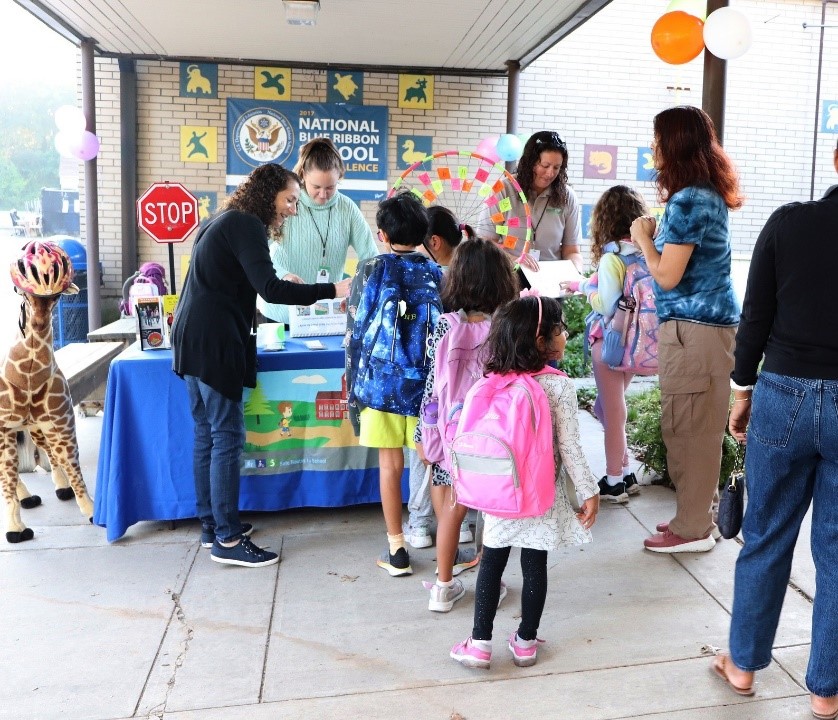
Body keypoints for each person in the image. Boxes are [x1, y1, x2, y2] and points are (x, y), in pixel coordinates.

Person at [711, 141, 838, 720]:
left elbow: (755, 314)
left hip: (784, 394)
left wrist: (742, 392)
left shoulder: (789, 224)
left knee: (765, 535)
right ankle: (826, 691)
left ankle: (742, 665)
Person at [171, 163, 351, 568]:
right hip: (213, 340)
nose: (293, 209)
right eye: (290, 199)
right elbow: (269, 289)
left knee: (206, 434)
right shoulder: (246, 224)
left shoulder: (224, 219)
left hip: (190, 336)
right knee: (226, 436)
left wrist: (290, 284)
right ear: (268, 195)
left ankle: (213, 525)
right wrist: (333, 290)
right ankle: (228, 540)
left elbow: (251, 280)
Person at [450, 294, 599, 669]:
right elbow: (570, 448)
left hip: (499, 494)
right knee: (535, 567)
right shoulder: (559, 387)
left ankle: (479, 644)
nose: (565, 335)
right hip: (539, 495)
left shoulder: (491, 381)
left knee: (491, 566)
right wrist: (589, 490)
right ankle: (526, 642)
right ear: (540, 340)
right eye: (560, 329)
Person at [630, 105, 743, 554]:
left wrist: (643, 237)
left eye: (658, 140)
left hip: (694, 333)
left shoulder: (689, 200)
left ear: (674, 145)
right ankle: (697, 517)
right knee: (696, 427)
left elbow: (667, 275)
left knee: (688, 429)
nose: (653, 148)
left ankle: (693, 529)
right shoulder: (702, 195)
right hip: (703, 332)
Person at [415, 237, 519, 612]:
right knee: (492, 512)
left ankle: (443, 588)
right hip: (494, 440)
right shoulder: (504, 329)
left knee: (452, 509)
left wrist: (423, 436)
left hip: (450, 438)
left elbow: (431, 387)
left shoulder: (444, 326)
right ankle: (490, 585)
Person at [345, 192, 442, 577]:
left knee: (390, 466)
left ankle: (397, 549)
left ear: (382, 235)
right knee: (433, 464)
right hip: (426, 391)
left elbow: (355, 329)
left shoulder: (371, 269)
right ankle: (446, 546)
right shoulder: (437, 272)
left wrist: (354, 383)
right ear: (424, 235)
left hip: (381, 386)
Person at [562, 186, 649, 503]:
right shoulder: (644, 254)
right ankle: (626, 473)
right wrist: (581, 283)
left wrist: (587, 293)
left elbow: (607, 303)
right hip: (636, 343)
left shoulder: (613, 258)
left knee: (612, 412)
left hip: (610, 343)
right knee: (605, 406)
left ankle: (614, 481)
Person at [403, 206, 476, 551]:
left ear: (434, 242)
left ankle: (419, 523)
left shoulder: (427, 276)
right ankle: (461, 524)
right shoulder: (474, 271)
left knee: (426, 449)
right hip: (468, 391)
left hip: (429, 383)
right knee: (459, 454)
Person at [258, 137, 378, 324]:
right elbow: (259, 254)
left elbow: (371, 258)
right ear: (303, 175)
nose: (323, 195)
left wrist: (358, 288)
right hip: (280, 312)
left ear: (339, 177)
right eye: (316, 187)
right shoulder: (287, 204)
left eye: (330, 187)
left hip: (326, 315)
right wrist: (283, 275)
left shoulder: (347, 209)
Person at [481, 131, 583, 271]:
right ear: (530, 162)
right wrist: (513, 260)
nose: (550, 173)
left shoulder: (567, 197)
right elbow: (485, 243)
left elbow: (572, 251)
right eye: (545, 166)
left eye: (556, 167)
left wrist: (576, 272)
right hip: (509, 275)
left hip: (551, 278)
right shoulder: (503, 190)